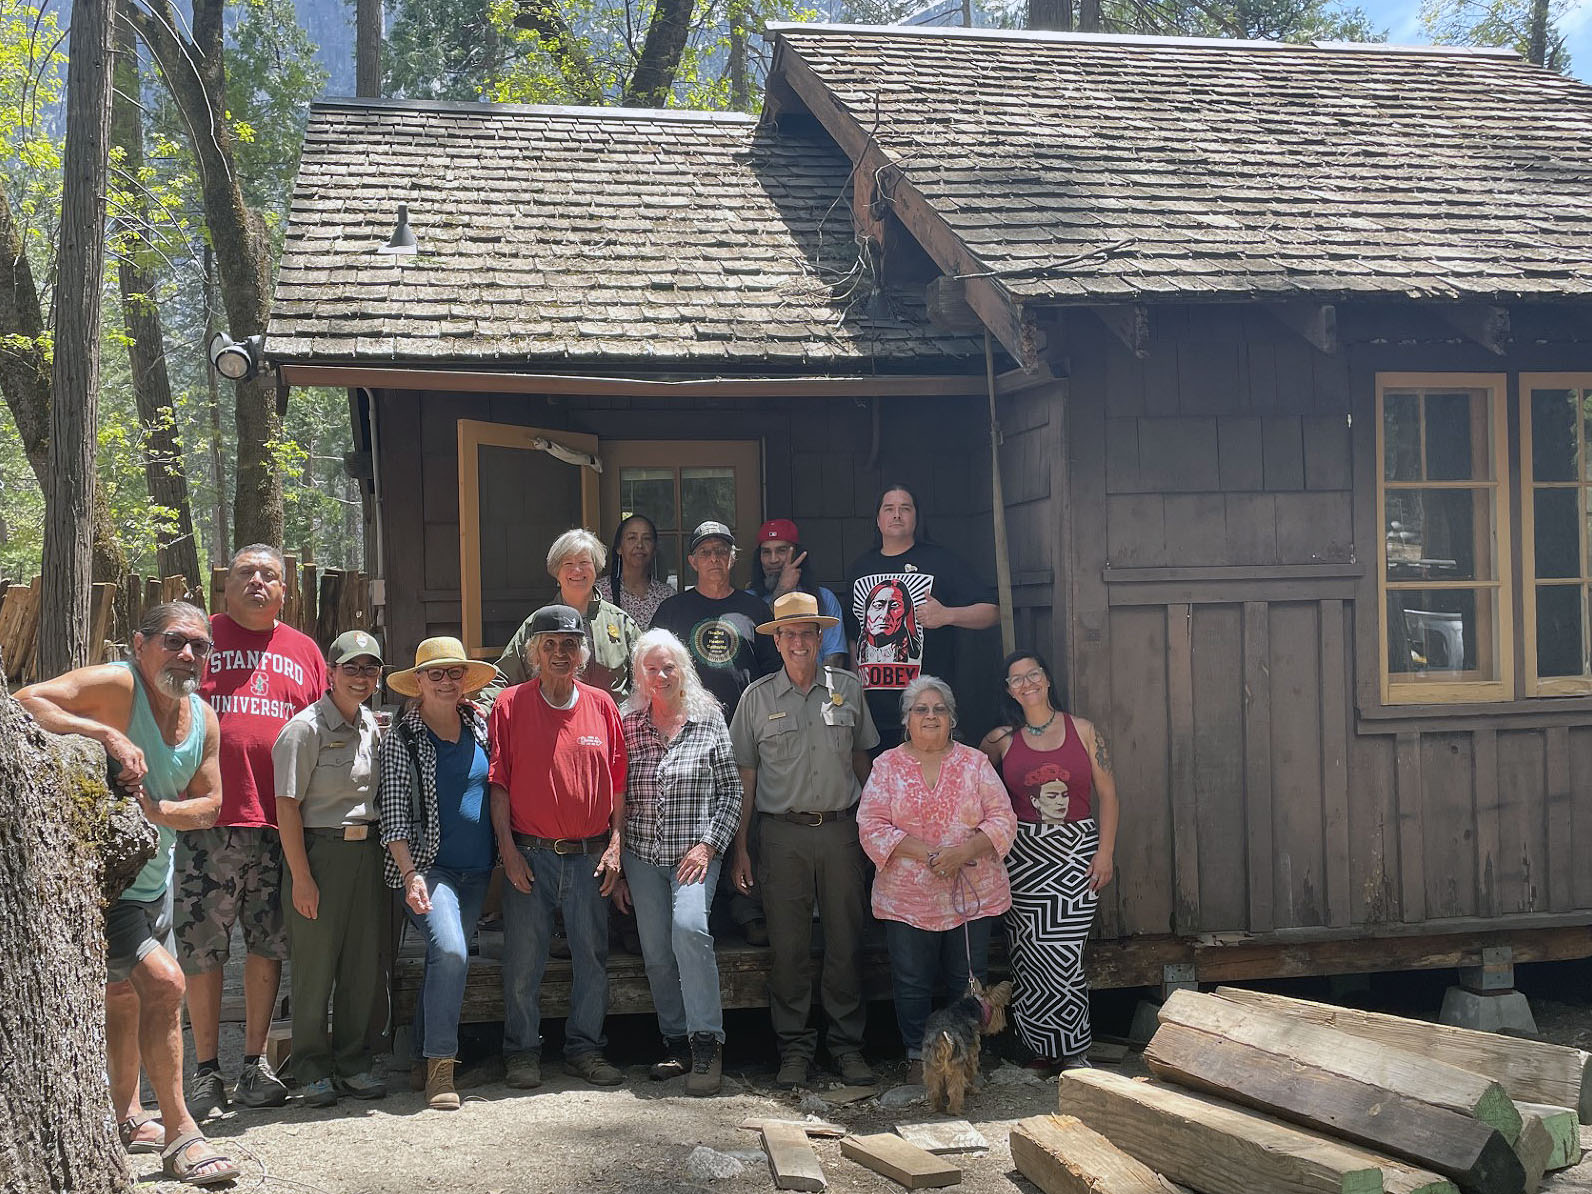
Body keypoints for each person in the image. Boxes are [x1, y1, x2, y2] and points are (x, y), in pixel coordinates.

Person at [16, 602, 238, 1186]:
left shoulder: (204, 720)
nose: (187, 655)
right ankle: (183, 1133)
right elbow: (24, 703)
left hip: (153, 877)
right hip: (102, 882)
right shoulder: (119, 684)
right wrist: (104, 731)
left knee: (128, 999)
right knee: (166, 984)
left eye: (199, 645)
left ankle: (124, 1116)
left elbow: (210, 803)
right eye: (173, 641)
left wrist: (154, 810)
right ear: (140, 644)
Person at [182, 544, 326, 1115]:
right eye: (246, 573)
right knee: (203, 951)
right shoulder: (198, 641)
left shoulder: (305, 651)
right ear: (226, 585)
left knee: (269, 946)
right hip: (208, 822)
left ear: (285, 591)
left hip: (281, 825)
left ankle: (254, 1065)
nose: (258, 582)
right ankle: (205, 1071)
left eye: (270, 575)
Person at [729, 592, 878, 1089]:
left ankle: (846, 1046)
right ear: (777, 642)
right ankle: (793, 1049)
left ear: (820, 638)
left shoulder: (849, 690)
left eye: (806, 632)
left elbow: (864, 767)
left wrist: (875, 833)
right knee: (789, 949)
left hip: (841, 834)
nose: (798, 641)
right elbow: (745, 780)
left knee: (844, 942)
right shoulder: (756, 699)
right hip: (781, 837)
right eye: (788, 634)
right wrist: (741, 847)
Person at [489, 604, 628, 1089]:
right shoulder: (509, 705)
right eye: (549, 645)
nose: (559, 653)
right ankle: (522, 1052)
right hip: (529, 855)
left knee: (592, 957)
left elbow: (617, 785)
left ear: (582, 654)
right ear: (534, 653)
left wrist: (616, 845)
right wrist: (506, 849)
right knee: (524, 960)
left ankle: (585, 1049)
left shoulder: (602, 705)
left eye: (569, 645)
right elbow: (499, 783)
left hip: (590, 856)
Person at [858, 675, 1016, 1085]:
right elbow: (870, 825)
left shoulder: (975, 763)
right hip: (906, 896)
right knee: (911, 980)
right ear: (906, 719)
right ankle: (919, 1055)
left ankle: (964, 1057)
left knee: (967, 976)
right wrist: (929, 854)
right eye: (920, 710)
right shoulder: (886, 766)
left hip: (970, 892)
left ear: (952, 719)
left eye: (939, 709)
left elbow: (1003, 819)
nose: (930, 716)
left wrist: (963, 852)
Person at [980, 650, 1118, 1071]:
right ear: (1009, 690)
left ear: (1047, 679)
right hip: (1024, 855)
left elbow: (1109, 796)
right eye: (1017, 679)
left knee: (1065, 953)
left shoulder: (1084, 731)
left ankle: (1073, 1049)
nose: (1027, 683)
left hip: (1077, 850)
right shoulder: (1000, 740)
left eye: (1033, 674)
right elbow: (972, 783)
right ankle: (1036, 1050)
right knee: (1027, 953)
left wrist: (1105, 852)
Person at [619, 629, 743, 1096]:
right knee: (655, 953)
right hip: (641, 855)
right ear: (639, 674)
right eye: (652, 668)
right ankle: (675, 1042)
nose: (661, 675)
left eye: (669, 666)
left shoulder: (710, 719)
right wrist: (617, 860)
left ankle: (707, 1042)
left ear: (683, 668)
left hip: (694, 856)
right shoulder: (627, 723)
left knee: (689, 931)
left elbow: (732, 792)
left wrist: (709, 846)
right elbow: (616, 796)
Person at [377, 637, 497, 1112]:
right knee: (450, 951)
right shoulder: (402, 739)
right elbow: (393, 818)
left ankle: (418, 1057)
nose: (447, 682)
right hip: (429, 870)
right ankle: (441, 1068)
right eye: (436, 674)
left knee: (442, 960)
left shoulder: (481, 726)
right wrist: (411, 876)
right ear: (418, 683)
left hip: (478, 871)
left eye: (454, 673)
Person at [272, 630, 388, 1107]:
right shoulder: (304, 730)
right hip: (320, 854)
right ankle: (312, 1066)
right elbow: (286, 808)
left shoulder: (373, 727)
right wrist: (301, 877)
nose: (361, 678)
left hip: (368, 853)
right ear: (330, 673)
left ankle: (355, 1063)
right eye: (351, 668)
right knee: (316, 968)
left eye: (370, 669)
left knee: (364, 964)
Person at [847, 486, 998, 752]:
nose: (897, 515)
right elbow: (852, 638)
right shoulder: (860, 569)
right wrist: (857, 697)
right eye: (889, 509)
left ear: (916, 518)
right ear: (878, 519)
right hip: (873, 714)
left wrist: (947, 615)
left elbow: (993, 612)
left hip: (929, 712)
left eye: (905, 508)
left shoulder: (940, 561)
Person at [484, 528, 642, 704]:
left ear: (596, 568)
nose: (577, 570)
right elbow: (503, 676)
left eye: (584, 562)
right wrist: (480, 712)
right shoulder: (538, 623)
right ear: (556, 573)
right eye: (568, 564)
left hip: (611, 725)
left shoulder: (621, 623)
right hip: (553, 725)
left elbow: (647, 677)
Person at [653, 521, 779, 720]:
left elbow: (774, 671)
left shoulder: (756, 610)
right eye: (705, 552)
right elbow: (653, 668)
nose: (714, 558)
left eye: (721, 551)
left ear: (732, 558)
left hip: (748, 721)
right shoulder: (670, 611)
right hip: (686, 723)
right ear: (693, 562)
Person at [746, 519, 848, 670]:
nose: (773, 559)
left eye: (781, 550)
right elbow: (756, 639)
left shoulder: (823, 598)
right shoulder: (748, 599)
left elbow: (834, 658)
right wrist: (782, 590)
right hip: (765, 689)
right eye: (766, 552)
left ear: (797, 554)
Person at [596, 513, 676, 630]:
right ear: (619, 547)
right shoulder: (599, 592)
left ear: (654, 549)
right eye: (632, 538)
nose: (639, 545)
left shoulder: (667, 595)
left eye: (647, 539)